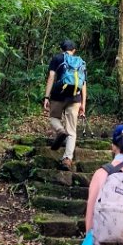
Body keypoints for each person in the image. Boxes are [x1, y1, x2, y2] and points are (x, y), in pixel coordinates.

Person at [43, 38, 87, 171]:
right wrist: (83, 104)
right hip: (75, 97)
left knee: (53, 118)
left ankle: (60, 131)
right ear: (74, 50)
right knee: (72, 131)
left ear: (62, 49)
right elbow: (83, 84)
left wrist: (46, 97)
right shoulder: (81, 62)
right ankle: (67, 159)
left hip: (58, 95)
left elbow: (51, 77)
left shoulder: (57, 58)